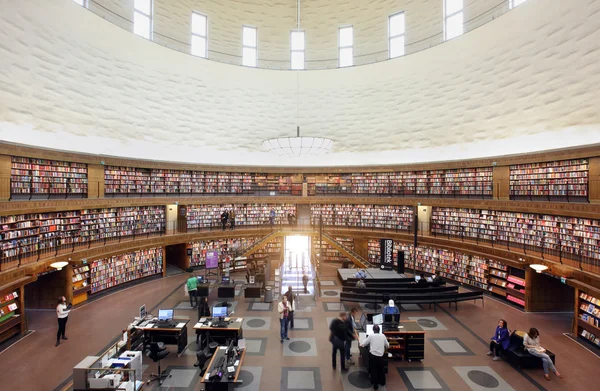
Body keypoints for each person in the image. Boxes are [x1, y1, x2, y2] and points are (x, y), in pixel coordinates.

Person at [360, 324, 389, 389]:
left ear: (373, 330)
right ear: (379, 330)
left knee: (374, 370)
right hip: (380, 357)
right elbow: (387, 345)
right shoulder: (383, 336)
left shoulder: (371, 336)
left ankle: (375, 385)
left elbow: (364, 343)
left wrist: (362, 344)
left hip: (373, 356)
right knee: (381, 369)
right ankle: (382, 382)